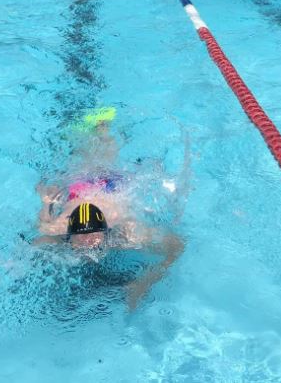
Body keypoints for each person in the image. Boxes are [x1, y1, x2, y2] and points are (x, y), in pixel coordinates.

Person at [33, 115, 185, 309]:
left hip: (109, 187)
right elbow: (40, 232)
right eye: (81, 236)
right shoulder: (57, 229)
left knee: (102, 155)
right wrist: (46, 201)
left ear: (105, 230)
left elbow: (176, 246)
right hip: (80, 190)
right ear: (69, 234)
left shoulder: (127, 233)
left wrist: (144, 282)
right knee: (84, 155)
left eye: (92, 234)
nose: (88, 241)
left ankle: (102, 125)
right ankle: (96, 126)